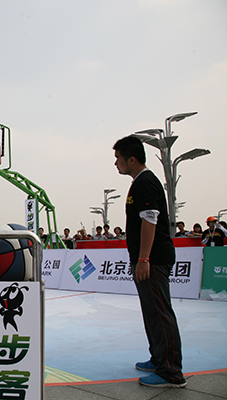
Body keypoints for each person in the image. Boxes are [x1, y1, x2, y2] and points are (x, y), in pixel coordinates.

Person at [113, 136, 186, 388]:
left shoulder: (145, 183)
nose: (116, 163)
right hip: (146, 259)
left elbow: (149, 220)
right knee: (151, 312)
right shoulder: (139, 183)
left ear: (132, 159)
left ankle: (171, 372)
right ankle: (158, 359)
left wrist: (144, 258)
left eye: (118, 158)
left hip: (153, 259)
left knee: (160, 312)